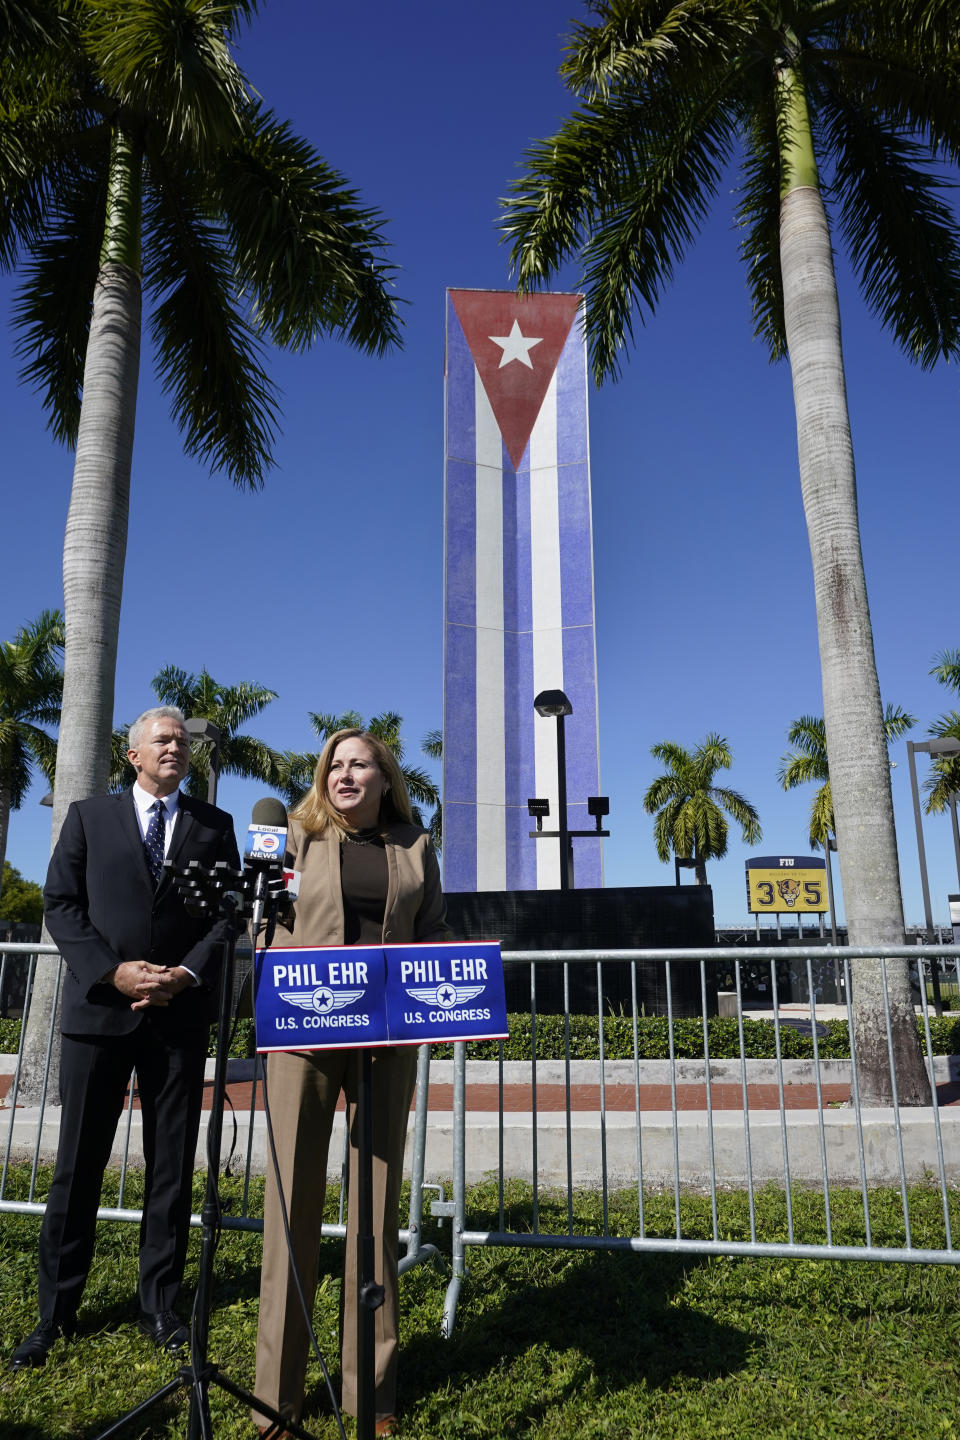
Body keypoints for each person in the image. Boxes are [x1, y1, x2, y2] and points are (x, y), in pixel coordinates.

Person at [9, 706, 239, 1371]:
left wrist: (187, 973)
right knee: (77, 1166)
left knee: (170, 1169)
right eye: (162, 740)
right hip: (99, 1016)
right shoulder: (88, 817)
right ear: (133, 755)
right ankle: (54, 1313)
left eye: (181, 741)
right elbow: (60, 903)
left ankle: (161, 1308)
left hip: (177, 1017)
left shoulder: (213, 825)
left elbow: (229, 913)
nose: (175, 747)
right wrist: (112, 971)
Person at [252, 728, 448, 1438]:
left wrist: (458, 984)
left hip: (387, 1042)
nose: (344, 773)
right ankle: (277, 1401)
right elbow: (261, 927)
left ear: (385, 777)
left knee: (374, 1210)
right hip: (304, 1038)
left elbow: (435, 933)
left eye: (359, 763)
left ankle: (371, 1396)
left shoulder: (414, 847)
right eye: (334, 764)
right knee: (290, 1209)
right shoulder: (295, 839)